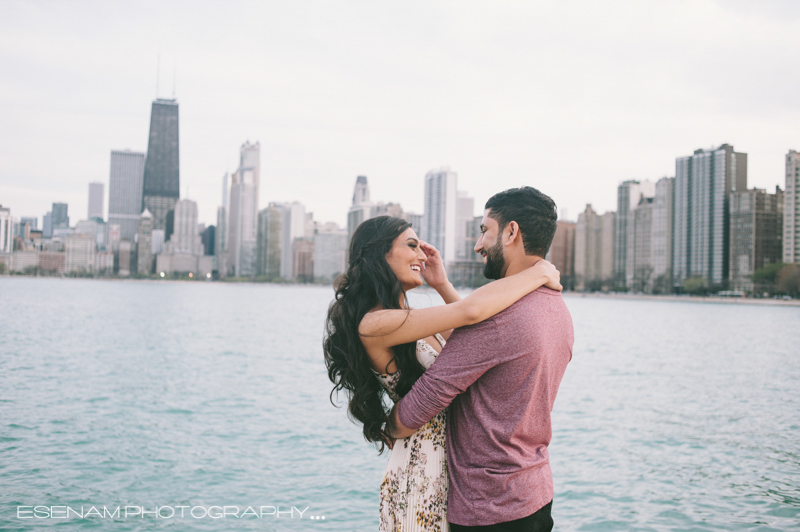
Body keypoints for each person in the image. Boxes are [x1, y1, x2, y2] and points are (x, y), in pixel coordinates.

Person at [324, 215, 562, 532]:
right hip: (420, 470)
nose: (423, 256)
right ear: (380, 253)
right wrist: (539, 272)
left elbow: (476, 339)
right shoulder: (374, 324)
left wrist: (442, 286)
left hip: (454, 469)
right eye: (412, 246)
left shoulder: (413, 321)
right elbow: (471, 312)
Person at [385, 187, 574, 532]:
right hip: (535, 496)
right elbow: (489, 349)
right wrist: (443, 286)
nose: (478, 245)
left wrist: (384, 427)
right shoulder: (557, 308)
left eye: (485, 230)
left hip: (487, 510)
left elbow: (419, 407)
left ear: (511, 232)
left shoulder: (497, 321)